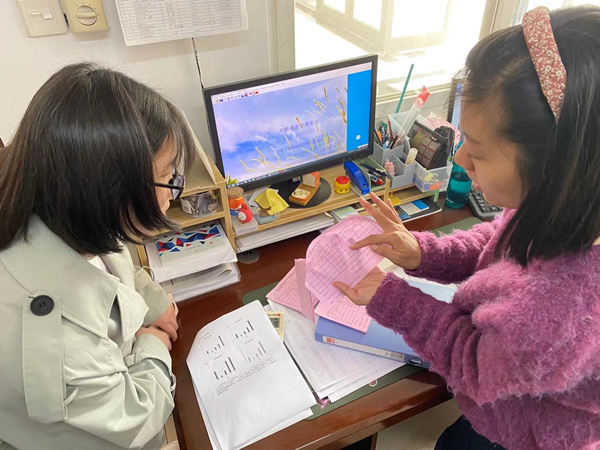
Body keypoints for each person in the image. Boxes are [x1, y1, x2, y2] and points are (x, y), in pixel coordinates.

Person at [334, 6, 600, 450]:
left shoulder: (563, 308)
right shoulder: (564, 205)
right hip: (507, 395)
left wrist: (393, 298)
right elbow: (498, 244)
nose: (459, 160)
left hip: (529, 433)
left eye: (476, 149)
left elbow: (474, 363)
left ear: (555, 167)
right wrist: (425, 253)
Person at [0, 63, 195, 449]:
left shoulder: (62, 210)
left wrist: (154, 302)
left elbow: (114, 261)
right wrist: (153, 343)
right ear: (107, 191)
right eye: (166, 177)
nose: (172, 193)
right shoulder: (53, 340)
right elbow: (133, 422)